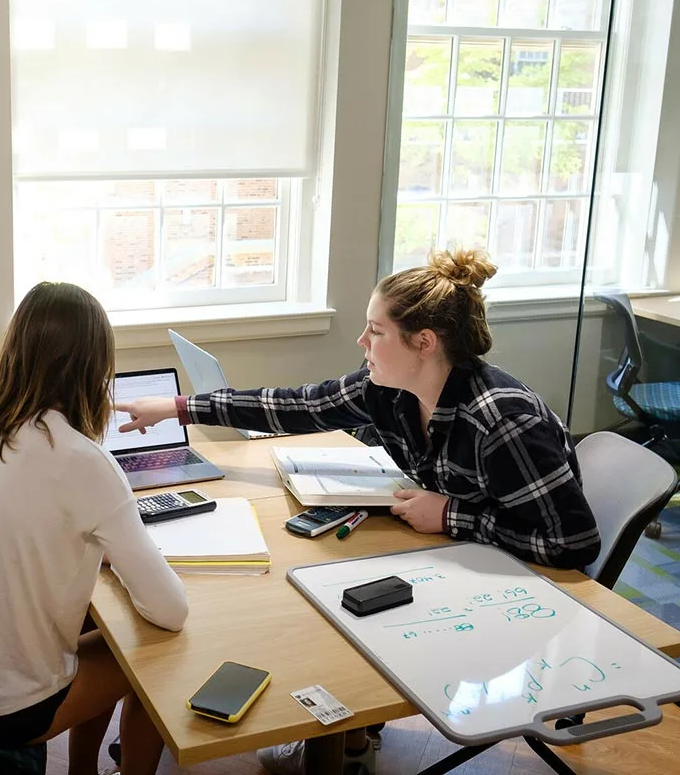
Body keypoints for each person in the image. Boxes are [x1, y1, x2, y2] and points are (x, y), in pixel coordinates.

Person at [116, 248, 600, 775]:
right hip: (456, 560)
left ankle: (345, 729)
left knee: (328, 607)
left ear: (424, 343)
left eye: (375, 331)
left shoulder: (502, 419)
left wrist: (451, 516)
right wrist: (177, 407)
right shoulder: (389, 391)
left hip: (513, 593)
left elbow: (573, 545)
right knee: (315, 581)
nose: (361, 343)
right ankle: (349, 734)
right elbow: (298, 405)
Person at [0, 281, 188, 775]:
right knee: (153, 647)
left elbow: (18, 538)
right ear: (93, 368)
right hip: (4, 709)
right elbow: (171, 610)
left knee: (96, 618)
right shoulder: (86, 463)